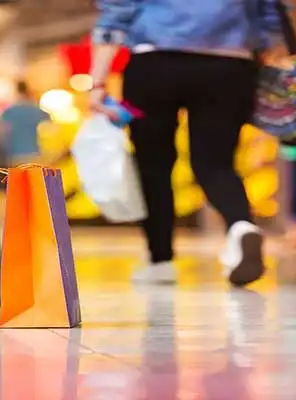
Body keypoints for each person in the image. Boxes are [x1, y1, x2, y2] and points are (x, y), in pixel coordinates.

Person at [90, 0, 284, 286]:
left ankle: (160, 261)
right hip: (229, 66)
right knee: (216, 162)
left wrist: (97, 83)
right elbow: (272, 14)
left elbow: (116, 14)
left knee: (153, 166)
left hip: (154, 65)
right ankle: (240, 225)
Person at [0, 82, 51, 166]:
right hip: (33, 152)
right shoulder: (34, 109)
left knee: (16, 178)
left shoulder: (10, 111)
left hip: (15, 153)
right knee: (34, 177)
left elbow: (2, 130)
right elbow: (48, 119)